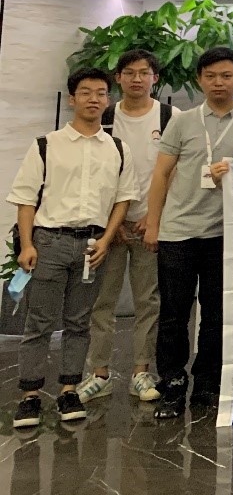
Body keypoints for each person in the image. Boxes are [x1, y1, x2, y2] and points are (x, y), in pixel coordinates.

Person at [8, 68, 138, 428]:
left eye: (101, 93)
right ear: (72, 99)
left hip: (93, 246)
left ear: (108, 99)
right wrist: (27, 245)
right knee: (39, 322)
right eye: (85, 92)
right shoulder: (46, 145)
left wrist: (107, 240)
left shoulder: (118, 148)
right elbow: (25, 200)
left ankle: (69, 390)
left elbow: (123, 200)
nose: (93, 99)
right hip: (49, 242)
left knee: (79, 322)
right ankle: (30, 396)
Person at [145, 47, 233, 419]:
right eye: (211, 76)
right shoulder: (182, 121)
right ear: (200, 79)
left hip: (224, 235)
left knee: (216, 314)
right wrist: (153, 225)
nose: (219, 83)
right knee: (173, 314)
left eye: (226, 75)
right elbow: (161, 174)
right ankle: (172, 382)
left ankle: (207, 383)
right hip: (178, 232)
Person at [78, 49, 175, 405]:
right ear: (118, 78)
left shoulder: (169, 117)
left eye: (144, 72)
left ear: (155, 78)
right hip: (109, 228)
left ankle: (141, 371)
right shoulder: (105, 116)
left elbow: (175, 170)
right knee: (101, 300)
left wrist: (155, 217)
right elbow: (94, 171)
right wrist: (109, 223)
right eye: (129, 72)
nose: (136, 78)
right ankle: (98, 373)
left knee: (148, 300)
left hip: (151, 225)